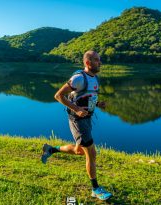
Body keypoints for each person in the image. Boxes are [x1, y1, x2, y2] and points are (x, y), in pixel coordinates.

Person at [41, 50, 112, 201]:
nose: (100, 62)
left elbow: (87, 97)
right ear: (88, 63)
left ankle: (50, 149)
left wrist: (98, 104)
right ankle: (95, 189)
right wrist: (77, 109)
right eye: (97, 60)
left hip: (87, 119)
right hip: (77, 120)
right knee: (91, 154)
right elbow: (58, 95)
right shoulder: (79, 78)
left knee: (79, 151)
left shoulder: (95, 78)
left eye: (99, 60)